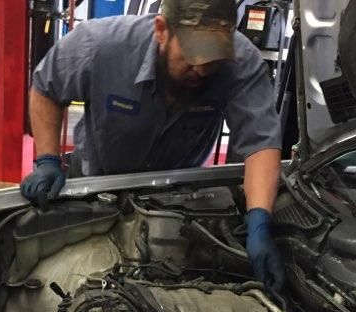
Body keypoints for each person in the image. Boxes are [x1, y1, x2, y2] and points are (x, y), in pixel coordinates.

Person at [22, 0, 286, 290]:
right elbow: (47, 88)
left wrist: (259, 219)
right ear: (161, 30)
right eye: (192, 57)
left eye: (213, 60)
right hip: (96, 190)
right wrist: (47, 159)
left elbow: (261, 142)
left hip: (176, 200)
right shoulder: (101, 46)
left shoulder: (241, 61)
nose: (201, 70)